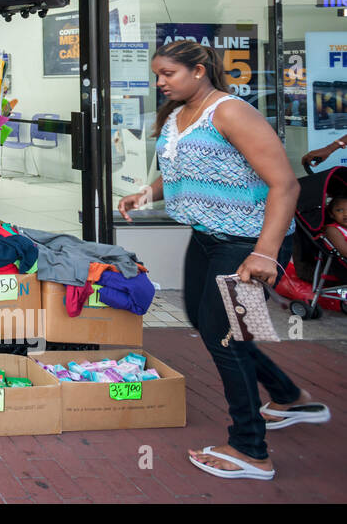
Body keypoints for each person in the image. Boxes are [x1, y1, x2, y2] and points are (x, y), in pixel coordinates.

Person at [119, 40, 328, 481]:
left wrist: (265, 253)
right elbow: (182, 167)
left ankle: (251, 449)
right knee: (208, 320)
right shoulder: (178, 115)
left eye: (168, 74)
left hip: (249, 243)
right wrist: (148, 193)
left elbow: (285, 185)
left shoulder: (230, 112)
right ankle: (289, 396)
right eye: (157, 75)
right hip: (208, 239)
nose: (160, 83)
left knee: (225, 335)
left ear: (199, 70)